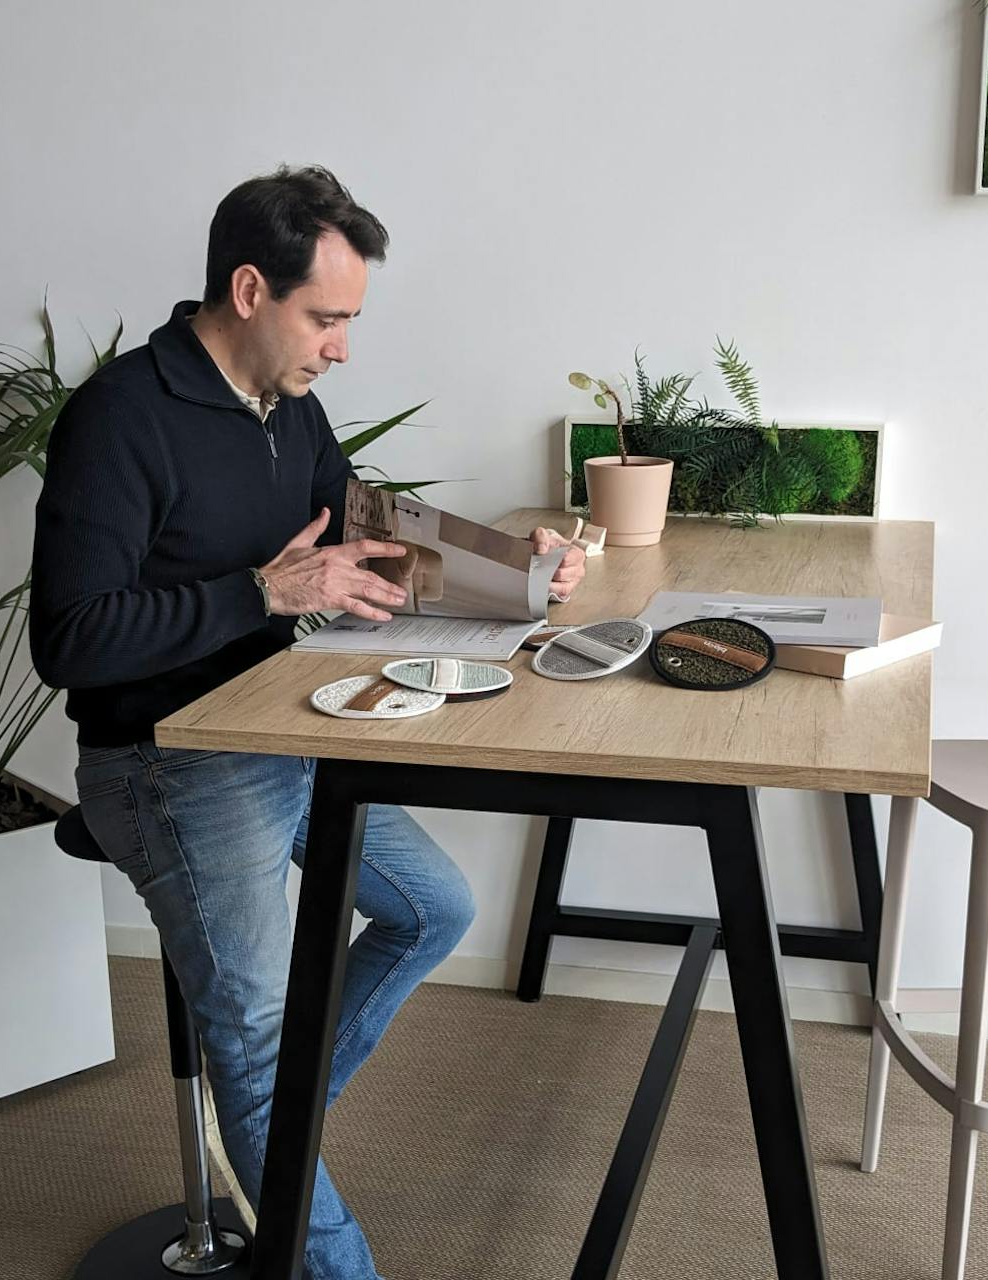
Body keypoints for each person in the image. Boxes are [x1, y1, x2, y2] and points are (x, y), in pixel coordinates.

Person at [30, 165, 586, 1279]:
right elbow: (70, 639)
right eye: (327, 317)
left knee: (437, 907)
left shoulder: (290, 408)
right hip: (163, 761)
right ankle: (287, 1149)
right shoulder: (121, 416)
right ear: (249, 288)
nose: (342, 346)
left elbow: (367, 544)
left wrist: (510, 571)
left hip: (275, 727)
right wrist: (262, 592)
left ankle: (274, 1116)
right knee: (256, 1045)